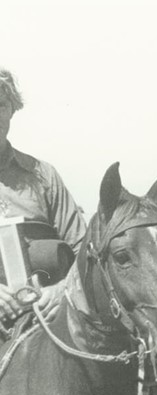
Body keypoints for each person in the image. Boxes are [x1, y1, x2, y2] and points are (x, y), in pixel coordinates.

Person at [0, 69, 86, 323]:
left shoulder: (44, 175)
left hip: (48, 314)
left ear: (12, 110)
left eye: (1, 105)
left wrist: (62, 290)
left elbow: (83, 249)